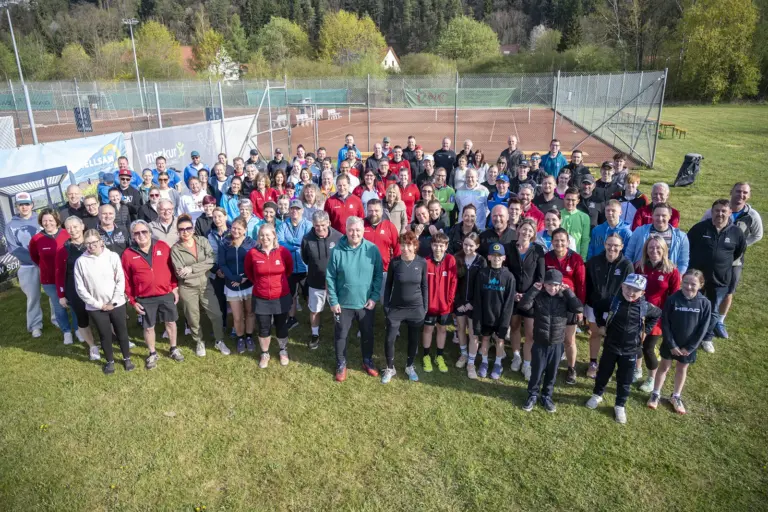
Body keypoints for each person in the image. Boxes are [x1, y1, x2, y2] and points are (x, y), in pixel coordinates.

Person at [586, 274, 662, 424]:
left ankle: (620, 405)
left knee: (625, 379)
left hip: (630, 350)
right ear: (622, 286)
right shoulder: (614, 302)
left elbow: (657, 314)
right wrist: (601, 324)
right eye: (628, 287)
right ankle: (597, 395)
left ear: (643, 293)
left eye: (636, 290)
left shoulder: (644, 307)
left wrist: (646, 331)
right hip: (610, 346)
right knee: (603, 373)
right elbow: (597, 306)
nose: (631, 292)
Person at [700, 182, 762, 338]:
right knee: (706, 286)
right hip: (711, 259)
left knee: (729, 291)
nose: (741, 195)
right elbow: (701, 227)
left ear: (749, 195)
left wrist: (739, 245)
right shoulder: (714, 211)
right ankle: (701, 316)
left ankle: (719, 320)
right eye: (738, 191)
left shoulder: (752, 216)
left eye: (745, 192)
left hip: (735, 261)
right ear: (731, 192)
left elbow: (757, 234)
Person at [326, 216, 383, 381]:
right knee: (341, 335)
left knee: (367, 333)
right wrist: (334, 301)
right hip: (343, 304)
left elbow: (378, 275)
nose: (354, 233)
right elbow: (330, 277)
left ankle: (367, 360)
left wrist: (374, 297)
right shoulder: (337, 250)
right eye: (351, 229)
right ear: (346, 230)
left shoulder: (372, 249)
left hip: (365, 303)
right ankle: (341, 363)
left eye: (358, 230)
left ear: (363, 230)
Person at [122, 220, 184, 369]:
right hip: (144, 298)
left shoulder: (162, 246)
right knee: (149, 327)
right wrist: (132, 300)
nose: (141, 235)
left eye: (144, 231)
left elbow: (172, 269)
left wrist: (174, 287)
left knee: (170, 322)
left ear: (150, 232)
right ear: (132, 236)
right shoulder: (128, 254)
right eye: (137, 233)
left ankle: (173, 348)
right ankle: (152, 353)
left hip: (165, 293)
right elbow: (126, 280)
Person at [519, 269, 583, 413]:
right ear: (544, 284)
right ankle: (533, 394)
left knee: (551, 373)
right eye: (549, 285)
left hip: (557, 343)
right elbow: (523, 306)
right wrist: (533, 291)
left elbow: (578, 307)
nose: (552, 288)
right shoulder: (538, 296)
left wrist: (568, 292)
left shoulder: (565, 298)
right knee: (536, 371)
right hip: (540, 343)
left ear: (560, 285)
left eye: (555, 285)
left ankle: (547, 396)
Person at [648, 269, 711, 414]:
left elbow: (703, 328)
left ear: (701, 285)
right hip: (671, 344)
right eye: (686, 283)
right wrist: (671, 344)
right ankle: (655, 393)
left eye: (693, 284)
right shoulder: (672, 299)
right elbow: (665, 323)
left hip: (688, 347)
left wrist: (690, 347)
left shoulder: (705, 303)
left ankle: (676, 396)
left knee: (682, 369)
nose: (688, 287)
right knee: (664, 367)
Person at [687, 199, 746, 354]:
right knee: (693, 307)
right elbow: (688, 246)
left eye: (723, 211)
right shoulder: (700, 228)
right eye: (717, 210)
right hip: (697, 279)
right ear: (712, 212)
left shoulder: (736, 233)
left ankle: (707, 338)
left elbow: (738, 252)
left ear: (729, 213)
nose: (720, 214)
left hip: (720, 279)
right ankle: (690, 334)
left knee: (713, 311)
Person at [74, 229, 134, 374]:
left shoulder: (112, 256)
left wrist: (113, 301)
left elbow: (120, 279)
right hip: (96, 307)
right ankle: (110, 361)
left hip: (116, 303)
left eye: (94, 242)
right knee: (105, 334)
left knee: (122, 332)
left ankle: (127, 358)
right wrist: (99, 305)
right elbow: (80, 288)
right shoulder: (81, 262)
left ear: (101, 242)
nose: (91, 246)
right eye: (87, 243)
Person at [171, 214, 229, 358]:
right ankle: (199, 341)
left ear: (193, 229)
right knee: (193, 317)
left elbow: (212, 260)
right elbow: (180, 273)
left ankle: (219, 340)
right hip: (187, 288)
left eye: (188, 228)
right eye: (181, 229)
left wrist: (191, 269)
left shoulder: (202, 241)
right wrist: (201, 268)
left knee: (216, 314)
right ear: (178, 232)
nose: (185, 232)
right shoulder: (175, 250)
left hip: (206, 284)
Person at [634, 235, 681, 390]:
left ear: (664, 250)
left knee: (648, 347)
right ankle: (637, 369)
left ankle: (651, 378)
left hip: (657, 317)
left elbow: (675, 297)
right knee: (635, 344)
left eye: (658, 248)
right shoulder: (639, 266)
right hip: (638, 312)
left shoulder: (672, 271)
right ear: (646, 250)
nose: (654, 251)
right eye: (651, 247)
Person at [381, 231, 428, 384]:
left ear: (415, 246)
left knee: (414, 339)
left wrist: (424, 308)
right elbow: (388, 286)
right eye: (402, 244)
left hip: (416, 308)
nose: (405, 248)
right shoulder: (395, 263)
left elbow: (424, 286)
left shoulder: (422, 263)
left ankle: (409, 366)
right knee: (389, 339)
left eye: (409, 245)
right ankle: (390, 367)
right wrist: (386, 306)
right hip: (396, 308)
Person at [584, 233, 634, 379]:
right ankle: (593, 363)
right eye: (609, 244)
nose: (612, 248)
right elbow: (587, 284)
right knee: (595, 334)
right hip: (594, 306)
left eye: (616, 246)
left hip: (615, 308)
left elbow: (629, 288)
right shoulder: (594, 261)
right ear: (605, 244)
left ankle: (608, 365)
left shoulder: (626, 265)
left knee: (612, 338)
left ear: (622, 247)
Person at [244, 223, 294, 368]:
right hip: (261, 297)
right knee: (263, 327)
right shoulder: (252, 253)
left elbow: (288, 270)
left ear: (274, 236)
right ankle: (265, 353)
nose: (265, 238)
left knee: (281, 326)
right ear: (258, 237)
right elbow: (249, 272)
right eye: (262, 235)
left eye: (268, 235)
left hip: (281, 296)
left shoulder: (283, 252)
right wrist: (261, 284)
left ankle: (283, 350)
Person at [544, 228, 586, 385]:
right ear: (552, 242)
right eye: (556, 240)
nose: (559, 243)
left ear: (568, 242)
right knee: (551, 337)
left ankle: (571, 368)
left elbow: (581, 285)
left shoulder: (576, 259)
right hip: (551, 303)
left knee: (569, 339)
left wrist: (579, 308)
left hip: (569, 304)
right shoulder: (547, 257)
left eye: (562, 240)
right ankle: (549, 365)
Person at [29, 209, 77, 344]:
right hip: (49, 279)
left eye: (50, 220)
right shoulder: (36, 239)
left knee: (73, 303)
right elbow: (35, 257)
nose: (48, 223)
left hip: (69, 277)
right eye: (44, 220)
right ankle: (66, 332)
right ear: (41, 222)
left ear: (56, 220)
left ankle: (78, 329)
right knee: (58, 305)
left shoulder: (66, 234)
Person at [55, 216, 99, 360]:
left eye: (75, 226)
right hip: (75, 289)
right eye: (68, 228)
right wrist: (61, 295)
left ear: (82, 225)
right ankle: (92, 346)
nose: (72, 230)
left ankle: (112, 338)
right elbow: (59, 273)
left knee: (103, 315)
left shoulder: (93, 243)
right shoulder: (64, 249)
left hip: (96, 286)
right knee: (82, 318)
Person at [507, 218, 546, 381]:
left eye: (530, 231)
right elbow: (505, 272)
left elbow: (541, 277)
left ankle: (527, 364)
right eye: (523, 229)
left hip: (531, 298)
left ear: (533, 234)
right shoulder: (509, 248)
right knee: (514, 327)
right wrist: (514, 292)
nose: (526, 233)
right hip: (513, 296)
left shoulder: (538, 250)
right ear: (518, 230)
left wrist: (528, 295)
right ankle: (516, 356)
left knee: (530, 333)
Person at [472, 242, 516, 380]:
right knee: (484, 338)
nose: (496, 259)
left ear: (503, 258)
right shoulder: (482, 274)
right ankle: (484, 362)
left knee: (500, 340)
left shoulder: (509, 277)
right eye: (493, 256)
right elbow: (478, 298)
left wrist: (505, 321)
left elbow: (509, 302)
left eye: (499, 256)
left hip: (500, 317)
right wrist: (478, 318)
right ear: (489, 257)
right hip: (485, 315)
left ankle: (498, 364)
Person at [301, 211, 343, 350]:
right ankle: (315, 334)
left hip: (335, 283)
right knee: (315, 310)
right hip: (315, 282)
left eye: (323, 225)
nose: (320, 228)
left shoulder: (339, 237)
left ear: (329, 223)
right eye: (317, 225)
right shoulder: (307, 239)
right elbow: (305, 258)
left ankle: (339, 335)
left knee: (337, 310)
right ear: (313, 224)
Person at [5, 192, 44, 337]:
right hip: (27, 267)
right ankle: (35, 326)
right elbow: (14, 248)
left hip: (45, 265)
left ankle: (57, 320)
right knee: (33, 297)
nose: (24, 207)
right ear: (16, 207)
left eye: (27, 204)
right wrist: (36, 260)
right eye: (21, 205)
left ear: (32, 204)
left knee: (53, 295)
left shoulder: (41, 220)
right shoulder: (11, 226)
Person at [218, 217, 257, 354]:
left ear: (245, 230)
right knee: (237, 316)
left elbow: (255, 262)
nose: (235, 231)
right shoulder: (225, 243)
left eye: (239, 228)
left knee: (250, 312)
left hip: (248, 284)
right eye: (233, 228)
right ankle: (240, 338)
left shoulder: (252, 243)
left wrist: (244, 277)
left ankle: (249, 336)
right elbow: (222, 263)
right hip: (231, 284)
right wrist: (234, 278)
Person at [421, 233, 457, 373]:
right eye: (435, 245)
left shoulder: (450, 260)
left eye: (441, 245)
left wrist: (449, 302)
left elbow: (453, 282)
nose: (438, 248)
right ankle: (426, 355)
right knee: (428, 330)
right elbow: (422, 284)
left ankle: (439, 356)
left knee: (442, 330)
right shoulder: (426, 262)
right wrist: (425, 303)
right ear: (431, 245)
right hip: (429, 306)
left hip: (445, 307)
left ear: (446, 246)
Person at [277, 200, 312, 331]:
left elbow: (307, 242)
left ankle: (312, 318)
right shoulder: (282, 225)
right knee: (291, 294)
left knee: (308, 294)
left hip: (305, 266)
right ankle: (292, 318)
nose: (294, 211)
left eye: (297, 209)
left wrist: (290, 243)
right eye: (292, 209)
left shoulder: (308, 225)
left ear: (302, 210)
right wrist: (296, 245)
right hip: (289, 267)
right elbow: (280, 243)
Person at [453, 232, 485, 372]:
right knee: (460, 328)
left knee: (473, 333)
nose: (467, 248)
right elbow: (453, 283)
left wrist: (472, 302)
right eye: (465, 244)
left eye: (471, 245)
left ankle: (471, 362)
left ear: (477, 246)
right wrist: (459, 302)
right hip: (459, 303)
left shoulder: (481, 261)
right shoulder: (457, 258)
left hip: (474, 303)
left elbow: (482, 285)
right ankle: (463, 354)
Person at [626, 202, 689, 273]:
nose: (660, 218)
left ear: (670, 216)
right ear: (652, 215)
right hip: (641, 276)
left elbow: (683, 263)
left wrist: (678, 278)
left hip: (666, 278)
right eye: (657, 215)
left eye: (664, 215)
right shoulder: (639, 232)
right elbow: (628, 255)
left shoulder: (681, 237)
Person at [363, 199, 401, 299]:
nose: (373, 213)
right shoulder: (361, 225)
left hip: (384, 270)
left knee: (386, 299)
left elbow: (397, 248)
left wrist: (396, 267)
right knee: (365, 300)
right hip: (364, 270)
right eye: (370, 211)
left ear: (382, 211)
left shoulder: (389, 226)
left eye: (376, 211)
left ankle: (387, 314)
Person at [207, 207, 230, 333]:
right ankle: (222, 324)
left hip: (231, 272)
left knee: (233, 300)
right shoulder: (209, 234)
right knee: (219, 299)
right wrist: (216, 270)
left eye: (220, 216)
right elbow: (207, 255)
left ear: (225, 217)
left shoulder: (233, 232)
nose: (217, 219)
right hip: (216, 272)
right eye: (214, 217)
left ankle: (236, 327)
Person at [560, 187, 591, 260]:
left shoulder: (584, 217)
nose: (570, 203)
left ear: (578, 201)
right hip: (559, 256)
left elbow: (585, 240)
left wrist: (582, 258)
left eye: (573, 200)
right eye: (568, 199)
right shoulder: (558, 214)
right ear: (564, 199)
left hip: (576, 257)